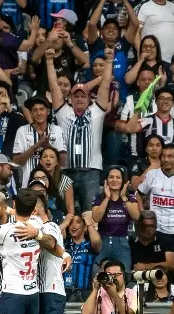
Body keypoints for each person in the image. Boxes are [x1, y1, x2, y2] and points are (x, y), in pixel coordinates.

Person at [48, 47, 113, 212]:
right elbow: (54, 87)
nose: (79, 99)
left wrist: (110, 61)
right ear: (70, 98)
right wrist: (49, 62)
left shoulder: (97, 112)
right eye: (75, 96)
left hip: (90, 172)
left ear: (89, 98)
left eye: (82, 95)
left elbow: (105, 85)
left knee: (90, 213)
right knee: (64, 211)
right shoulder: (64, 113)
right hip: (66, 171)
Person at [137, 144, 174, 271]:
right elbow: (139, 193)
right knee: (156, 265)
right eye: (163, 156)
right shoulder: (152, 174)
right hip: (156, 230)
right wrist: (143, 213)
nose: (166, 159)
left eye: (170, 156)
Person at [123, 87, 174, 168]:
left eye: (169, 99)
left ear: (173, 103)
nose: (165, 101)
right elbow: (129, 129)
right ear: (156, 101)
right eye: (161, 98)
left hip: (170, 168)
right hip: (149, 166)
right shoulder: (148, 120)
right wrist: (139, 110)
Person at [91, 166, 140, 273]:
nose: (114, 180)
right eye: (111, 177)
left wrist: (123, 197)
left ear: (123, 181)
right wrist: (107, 198)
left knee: (124, 276)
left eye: (118, 177)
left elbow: (137, 217)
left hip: (121, 242)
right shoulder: (99, 198)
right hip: (102, 242)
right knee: (97, 276)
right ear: (106, 180)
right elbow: (96, 218)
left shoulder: (130, 198)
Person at [12, 96, 66, 188]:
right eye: (35, 110)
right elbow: (17, 162)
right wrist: (36, 145)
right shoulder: (22, 131)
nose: (39, 113)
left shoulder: (57, 130)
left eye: (42, 109)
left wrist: (48, 146)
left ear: (48, 112)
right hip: (28, 184)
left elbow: (63, 161)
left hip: (52, 185)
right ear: (31, 114)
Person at [61, 212, 101, 314]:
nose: (73, 225)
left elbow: (97, 242)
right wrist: (64, 223)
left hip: (84, 293)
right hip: (64, 291)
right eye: (71, 223)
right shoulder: (64, 244)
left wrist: (89, 223)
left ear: (84, 227)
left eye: (78, 222)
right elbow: (51, 238)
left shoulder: (90, 246)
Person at [131, 210, 174, 276]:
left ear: (156, 227)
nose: (148, 229)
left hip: (161, 280)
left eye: (151, 226)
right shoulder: (130, 243)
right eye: (144, 226)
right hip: (136, 281)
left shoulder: (166, 241)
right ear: (138, 226)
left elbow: (172, 265)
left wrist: (145, 267)